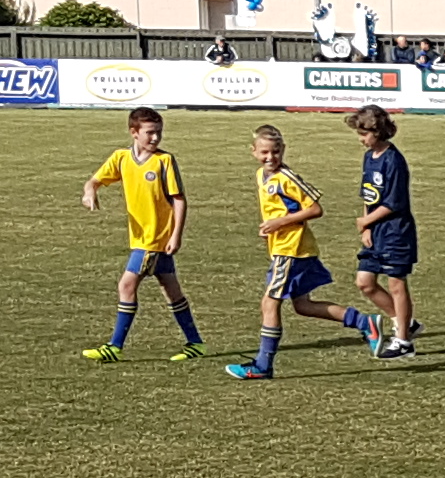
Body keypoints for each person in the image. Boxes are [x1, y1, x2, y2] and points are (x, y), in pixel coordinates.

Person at [223, 125, 369, 380]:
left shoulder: (287, 177)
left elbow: (315, 209)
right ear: (254, 152)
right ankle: (364, 323)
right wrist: (271, 226)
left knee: (270, 302)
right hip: (287, 248)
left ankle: (262, 365)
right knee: (303, 305)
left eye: (276, 152)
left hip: (291, 249)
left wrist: (279, 223)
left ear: (284, 150)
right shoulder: (261, 176)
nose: (271, 157)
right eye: (265, 152)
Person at [80, 106, 204, 360]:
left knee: (126, 285)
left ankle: (115, 346)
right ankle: (195, 343)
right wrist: (90, 191)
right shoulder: (121, 158)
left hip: (153, 239)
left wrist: (175, 235)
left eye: (158, 132)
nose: (155, 138)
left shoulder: (164, 161)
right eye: (150, 133)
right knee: (171, 289)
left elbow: (179, 200)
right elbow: (94, 180)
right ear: (133, 132)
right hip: (141, 237)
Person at [347, 105, 420, 358]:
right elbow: (369, 194)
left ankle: (403, 342)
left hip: (395, 232)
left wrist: (365, 221)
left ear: (378, 132)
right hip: (375, 230)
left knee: (396, 284)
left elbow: (394, 202)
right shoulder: (369, 157)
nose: (361, 139)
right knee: (365, 283)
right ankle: (405, 322)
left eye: (364, 134)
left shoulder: (394, 160)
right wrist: (366, 225)